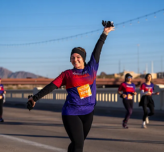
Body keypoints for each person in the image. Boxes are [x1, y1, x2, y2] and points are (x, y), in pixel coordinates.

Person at [27, 21, 115, 152]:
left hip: (89, 112)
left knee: (76, 143)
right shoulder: (67, 74)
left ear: (83, 58)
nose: (75, 59)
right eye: (72, 57)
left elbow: (97, 50)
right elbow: (51, 86)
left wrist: (105, 33)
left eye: (78, 57)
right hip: (71, 112)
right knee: (79, 145)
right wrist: (35, 98)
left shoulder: (92, 68)